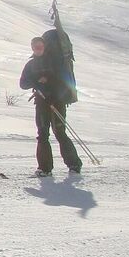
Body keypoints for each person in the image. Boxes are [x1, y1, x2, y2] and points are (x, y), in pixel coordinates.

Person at [18, 35, 81, 176]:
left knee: (59, 132)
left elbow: (61, 81)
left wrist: (50, 84)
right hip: (41, 103)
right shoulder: (30, 65)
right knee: (42, 134)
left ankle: (74, 165)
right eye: (35, 47)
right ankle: (44, 168)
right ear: (32, 48)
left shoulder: (54, 61)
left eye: (40, 46)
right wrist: (37, 81)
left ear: (44, 46)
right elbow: (23, 84)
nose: (38, 49)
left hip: (56, 102)